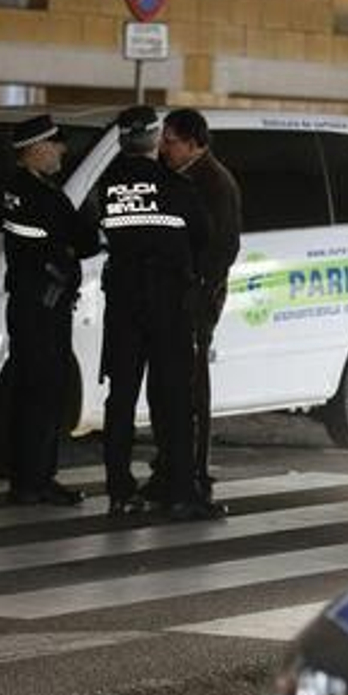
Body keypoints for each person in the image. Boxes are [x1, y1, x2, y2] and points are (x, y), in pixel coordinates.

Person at [91, 106, 215, 520]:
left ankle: (119, 492)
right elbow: (205, 237)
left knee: (121, 400)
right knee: (174, 399)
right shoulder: (174, 186)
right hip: (167, 306)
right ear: (153, 137)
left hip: (123, 306)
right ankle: (180, 491)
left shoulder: (106, 186)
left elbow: (96, 235)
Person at [0, 114, 99, 505]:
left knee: (48, 390)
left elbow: (84, 242)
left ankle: (37, 475)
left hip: (50, 303)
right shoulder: (22, 191)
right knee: (38, 391)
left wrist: (68, 248)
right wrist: (64, 253)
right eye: (55, 143)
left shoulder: (46, 190)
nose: (62, 150)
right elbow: (41, 250)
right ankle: (31, 481)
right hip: (37, 304)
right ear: (35, 149)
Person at [156, 108, 242, 518]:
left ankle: (193, 477)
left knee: (190, 391)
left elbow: (222, 247)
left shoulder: (213, 182)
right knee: (166, 388)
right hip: (170, 295)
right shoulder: (175, 175)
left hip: (193, 301)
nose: (163, 147)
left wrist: (198, 290)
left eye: (170, 141)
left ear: (193, 142)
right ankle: (168, 469)